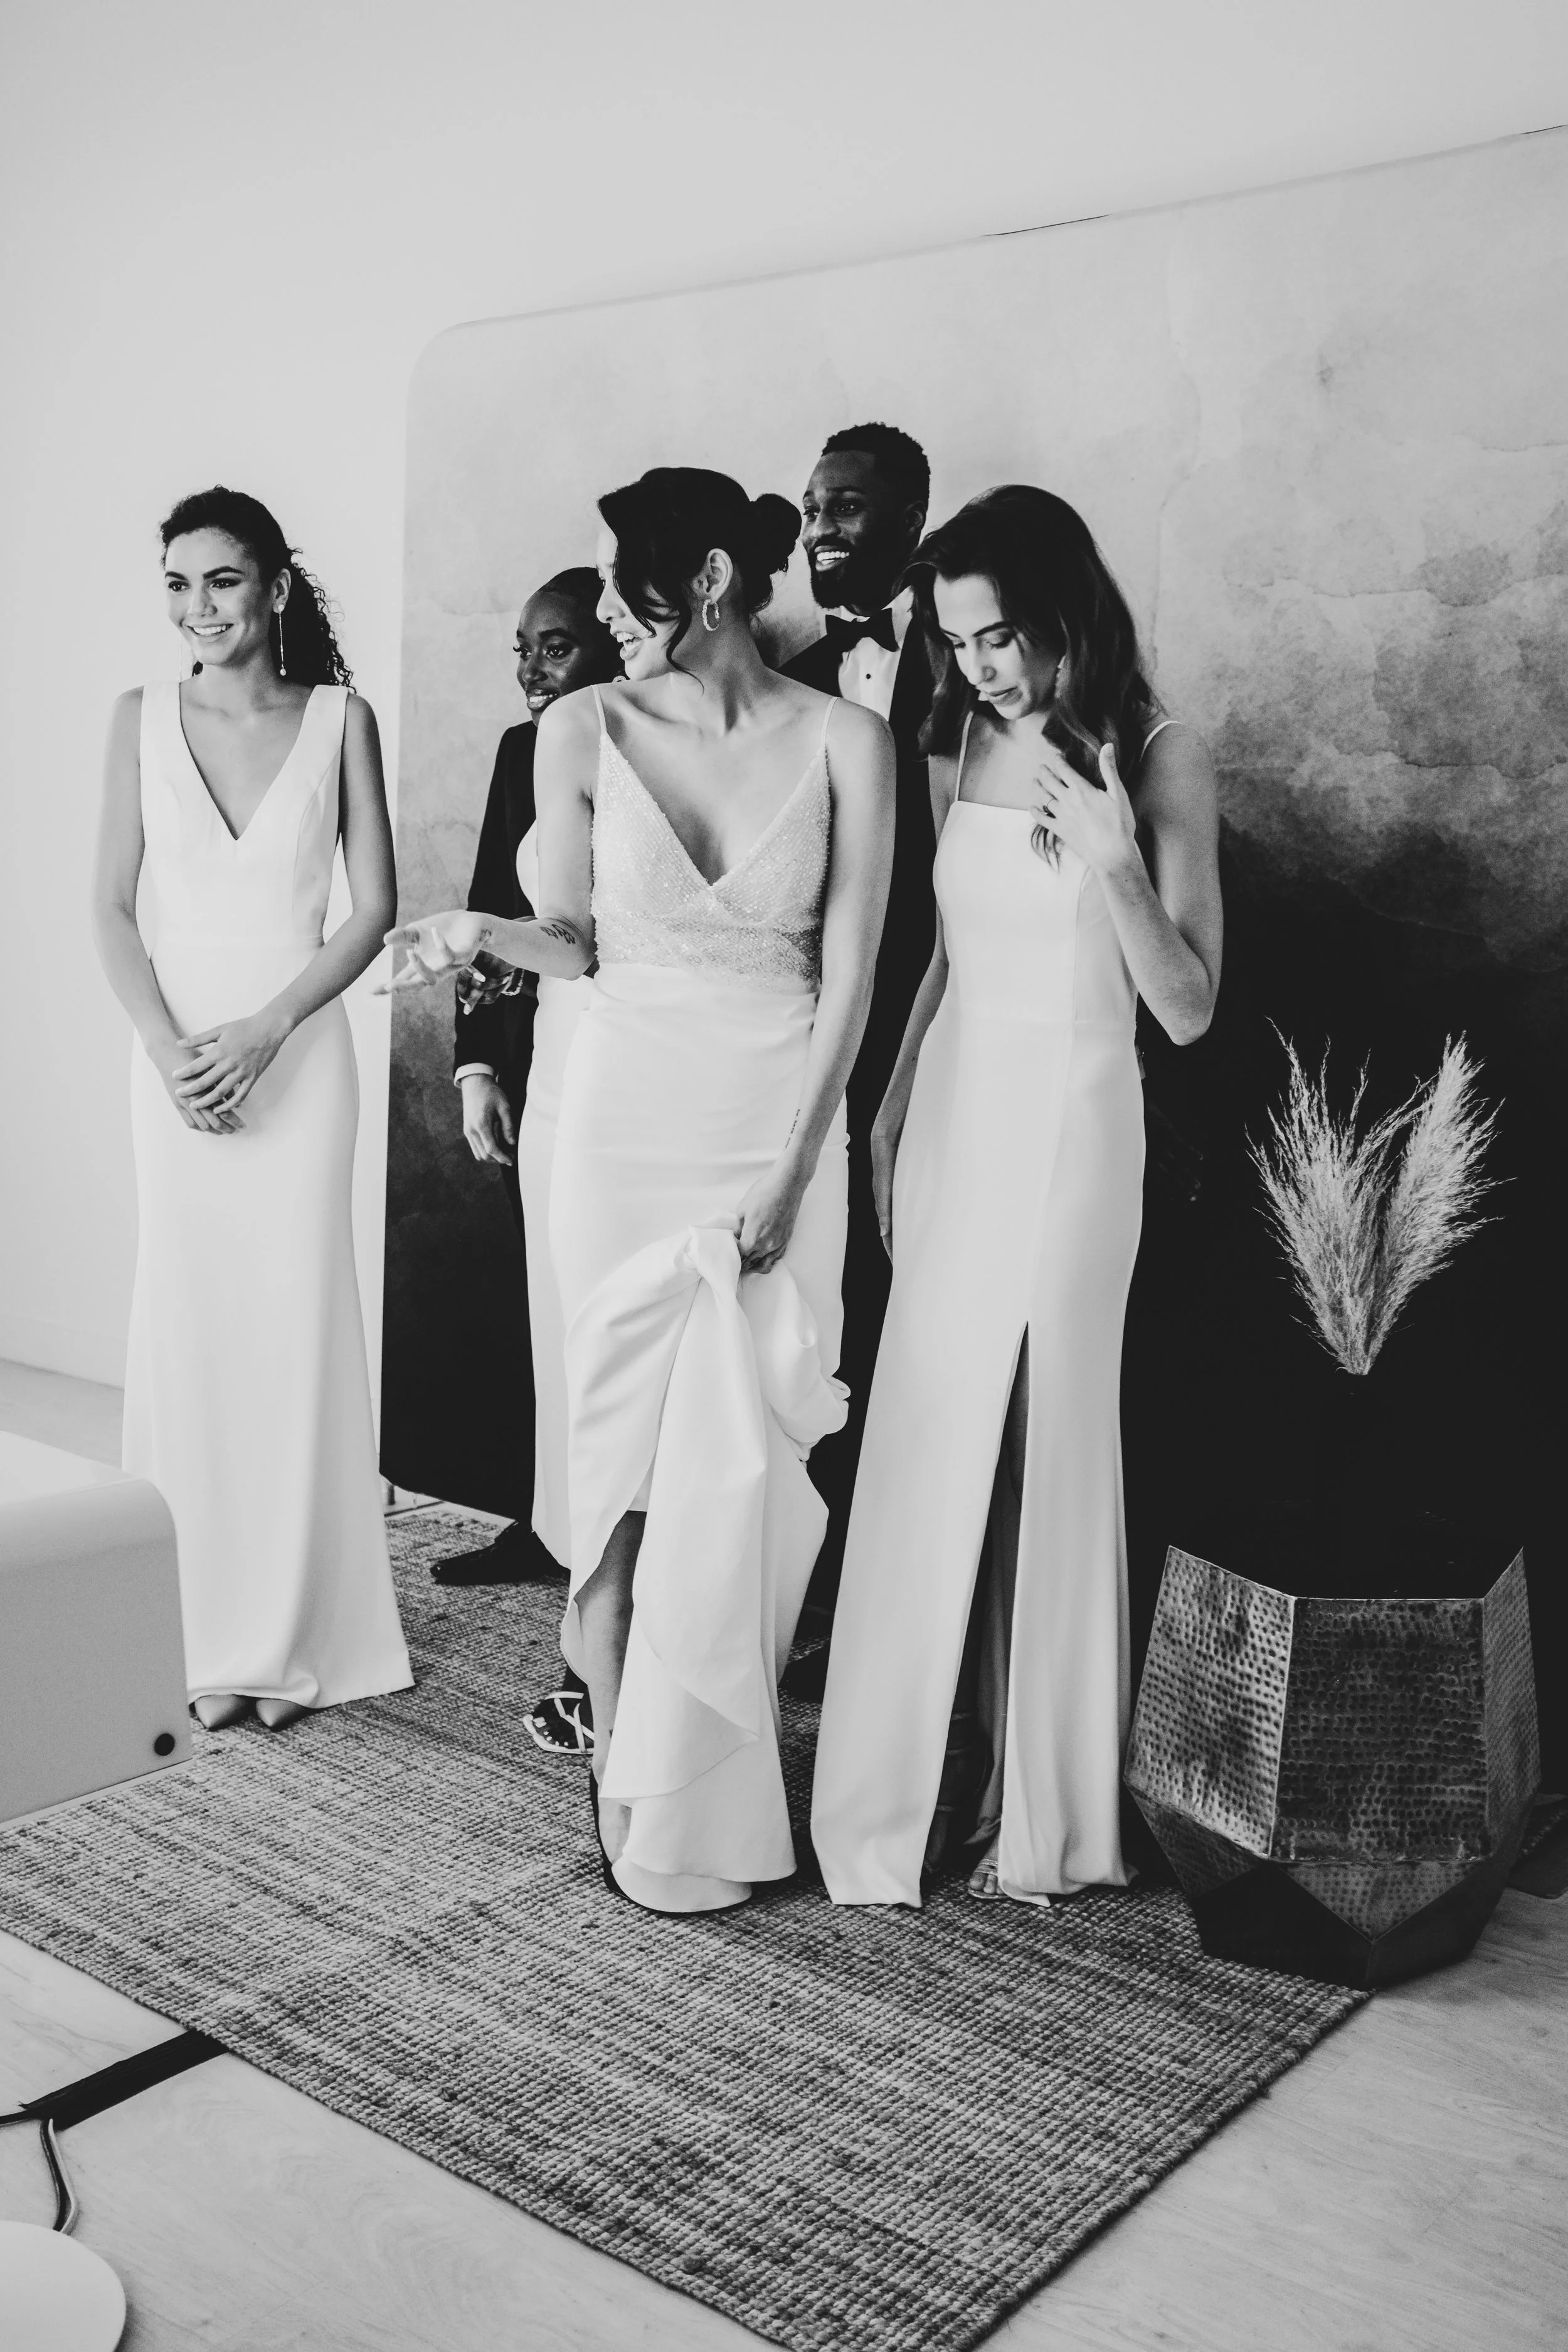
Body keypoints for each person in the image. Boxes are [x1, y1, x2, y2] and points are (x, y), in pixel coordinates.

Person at [385, 468, 894, 1911]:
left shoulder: (847, 741)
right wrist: (474, 931)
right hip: (618, 1124)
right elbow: (571, 942)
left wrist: (799, 1165)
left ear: (716, 580)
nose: (605, 614)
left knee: (743, 1456)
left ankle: (703, 1778)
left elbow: (850, 972)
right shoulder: (578, 728)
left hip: (774, 1112)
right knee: (619, 1471)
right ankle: (628, 1747)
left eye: (627, 589)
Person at [811, 486, 1222, 1907]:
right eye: (953, 639)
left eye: (997, 637)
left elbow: (1183, 1012)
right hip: (956, 1107)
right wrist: (888, 1100)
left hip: (1076, 1114)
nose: (976, 665)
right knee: (931, 1437)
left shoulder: (1160, 758)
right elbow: (942, 950)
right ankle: (914, 1776)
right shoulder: (956, 734)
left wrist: (1112, 865)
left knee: (1047, 1442)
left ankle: (1043, 1806)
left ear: (1063, 618)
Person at [93, 486, 411, 1732]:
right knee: (190, 1328)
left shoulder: (341, 720)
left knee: (291, 1330)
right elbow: (110, 910)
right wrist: (173, 1050)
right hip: (173, 1070)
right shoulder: (137, 719)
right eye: (176, 583)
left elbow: (373, 907)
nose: (198, 607)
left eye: (222, 579)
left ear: (275, 585)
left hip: (296, 1058)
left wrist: (270, 1031)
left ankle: (288, 1634)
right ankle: (191, 1628)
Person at [778, 423, 936, 1686]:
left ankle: (890, 1598)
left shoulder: (975, 666)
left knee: (900, 1313)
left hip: (933, 1043)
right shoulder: (788, 674)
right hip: (796, 1036)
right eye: (810, 506)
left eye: (847, 507)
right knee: (811, 1309)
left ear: (910, 521)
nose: (820, 527)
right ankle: (806, 1580)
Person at [435, 572, 621, 1604]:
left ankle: (615, 1544)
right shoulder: (523, 749)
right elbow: (491, 907)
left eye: (554, 647)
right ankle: (552, 1520)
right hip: (548, 1055)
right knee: (547, 1307)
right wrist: (477, 1067)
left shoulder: (659, 741)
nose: (529, 670)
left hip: (643, 1056)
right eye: (521, 647)